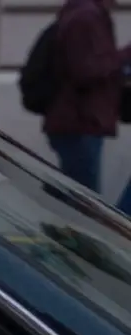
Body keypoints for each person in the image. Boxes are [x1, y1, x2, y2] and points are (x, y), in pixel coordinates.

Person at [44, 0, 131, 194]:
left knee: (74, 192)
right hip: (81, 122)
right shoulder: (86, 17)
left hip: (81, 122)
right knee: (83, 199)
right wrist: (124, 56)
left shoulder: (86, 14)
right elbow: (85, 70)